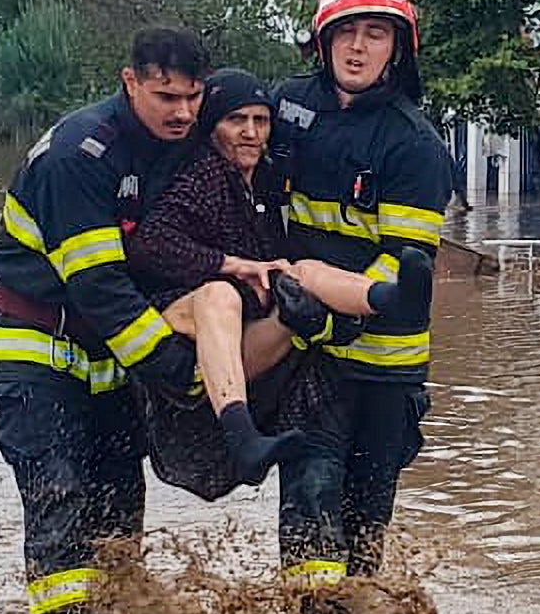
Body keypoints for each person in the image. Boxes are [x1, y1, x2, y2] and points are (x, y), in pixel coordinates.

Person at [0, 27, 209, 614]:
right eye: (167, 95)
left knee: (118, 500)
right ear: (129, 81)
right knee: (58, 494)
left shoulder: (178, 148)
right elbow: (100, 287)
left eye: (193, 98)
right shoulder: (80, 155)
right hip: (38, 346)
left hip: (109, 356)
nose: (183, 112)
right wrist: (176, 369)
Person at [268, 0, 454, 614]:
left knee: (364, 519)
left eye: (375, 33)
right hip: (308, 357)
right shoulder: (283, 108)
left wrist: (331, 306)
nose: (358, 47)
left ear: (397, 48)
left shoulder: (414, 147)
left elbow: (403, 276)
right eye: (346, 31)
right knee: (310, 495)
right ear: (322, 42)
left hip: (386, 367)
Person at [126, 68, 433, 497]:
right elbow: (149, 245)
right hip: (185, 329)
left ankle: (389, 298)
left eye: (261, 121)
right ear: (212, 127)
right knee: (220, 297)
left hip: (246, 335)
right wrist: (228, 264)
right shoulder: (201, 178)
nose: (251, 133)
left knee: (304, 272)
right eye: (236, 121)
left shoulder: (269, 182)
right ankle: (242, 436)